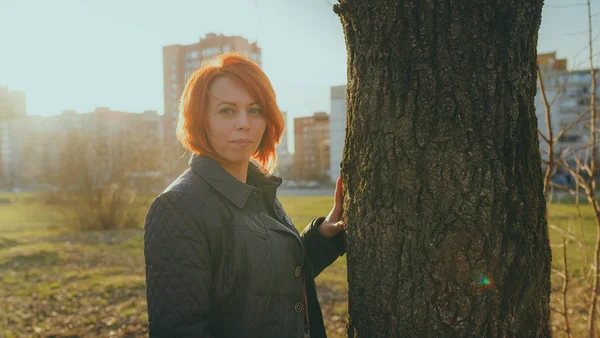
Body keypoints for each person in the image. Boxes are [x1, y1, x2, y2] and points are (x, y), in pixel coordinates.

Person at [143, 52, 346, 338]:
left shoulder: (259, 190)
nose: (244, 123)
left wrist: (321, 237)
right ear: (201, 120)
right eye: (227, 110)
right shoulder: (178, 206)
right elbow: (179, 329)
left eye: (254, 110)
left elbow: (262, 285)